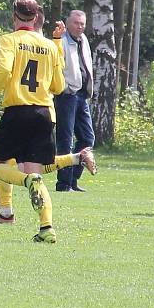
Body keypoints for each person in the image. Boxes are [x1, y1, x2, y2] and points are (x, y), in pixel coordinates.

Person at [0, 0, 65, 243]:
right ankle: (46, 228)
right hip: (45, 114)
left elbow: (4, 70)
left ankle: (23, 183)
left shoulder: (9, 40)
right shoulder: (49, 46)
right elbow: (59, 86)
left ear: (14, 16)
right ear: (36, 17)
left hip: (18, 111)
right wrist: (57, 44)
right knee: (36, 172)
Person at [54, 10, 96, 192]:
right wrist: (62, 87)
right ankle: (63, 183)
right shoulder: (61, 41)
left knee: (87, 138)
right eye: (76, 23)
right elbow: (55, 68)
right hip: (67, 95)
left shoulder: (83, 39)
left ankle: (73, 179)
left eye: (82, 24)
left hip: (82, 95)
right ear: (67, 23)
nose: (80, 27)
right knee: (65, 140)